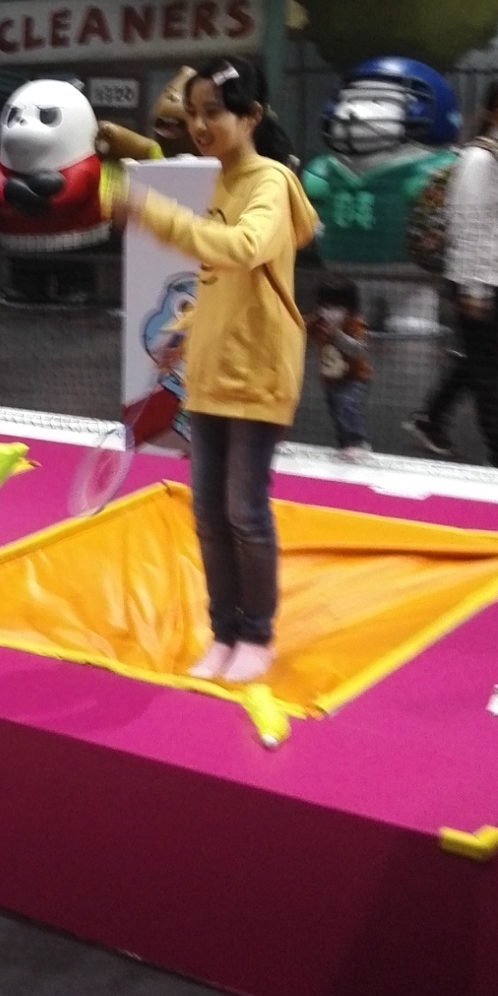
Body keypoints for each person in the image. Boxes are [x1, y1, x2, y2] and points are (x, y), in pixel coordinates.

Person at [109, 57, 318, 687]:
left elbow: (242, 249)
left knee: (244, 511)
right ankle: (223, 632)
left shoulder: (270, 182)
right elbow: (222, 281)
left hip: (257, 374)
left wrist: (151, 211)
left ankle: (256, 634)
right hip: (209, 375)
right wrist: (189, 333)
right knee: (208, 514)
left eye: (213, 113)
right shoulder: (224, 179)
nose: (199, 126)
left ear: (250, 117)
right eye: (192, 113)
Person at [406, 77, 498, 468]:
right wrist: (474, 289)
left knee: (481, 360)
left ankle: (430, 420)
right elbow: (467, 224)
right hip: (476, 279)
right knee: (489, 367)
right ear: (491, 113)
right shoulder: (479, 159)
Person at [308, 277, 373, 458]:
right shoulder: (318, 321)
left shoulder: (354, 323)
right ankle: (346, 444)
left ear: (349, 307)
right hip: (330, 379)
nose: (330, 312)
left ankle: (358, 442)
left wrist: (336, 334)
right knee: (337, 411)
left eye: (336, 307)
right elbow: (301, 327)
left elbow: (359, 349)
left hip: (355, 377)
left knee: (347, 405)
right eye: (326, 306)